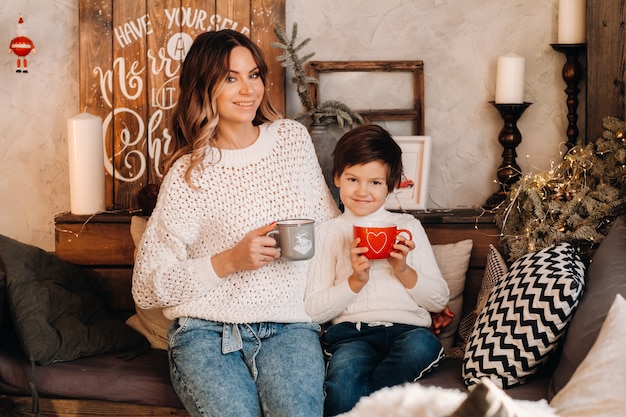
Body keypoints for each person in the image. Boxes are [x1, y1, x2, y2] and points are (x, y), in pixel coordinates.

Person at [132, 29, 340, 417]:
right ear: (203, 85)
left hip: (289, 328)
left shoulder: (291, 141)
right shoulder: (188, 173)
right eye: (231, 77)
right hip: (205, 334)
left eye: (254, 74)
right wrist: (229, 260)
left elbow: (330, 230)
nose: (248, 89)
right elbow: (147, 285)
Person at [305, 124, 451, 417]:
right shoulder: (328, 233)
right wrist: (354, 282)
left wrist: (403, 269)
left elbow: (438, 300)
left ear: (391, 185)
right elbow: (313, 311)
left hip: (408, 331)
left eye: (375, 182)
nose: (362, 191)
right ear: (337, 178)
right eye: (352, 179)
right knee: (343, 385)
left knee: (422, 345)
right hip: (352, 335)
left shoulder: (409, 227)